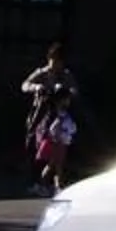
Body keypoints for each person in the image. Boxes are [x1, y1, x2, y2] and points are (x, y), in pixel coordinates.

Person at [22, 43, 79, 192]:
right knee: (35, 146)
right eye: (53, 60)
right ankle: (34, 180)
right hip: (40, 113)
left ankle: (51, 182)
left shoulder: (65, 75)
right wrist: (36, 87)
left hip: (57, 114)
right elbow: (25, 85)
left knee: (55, 151)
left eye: (59, 61)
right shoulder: (42, 73)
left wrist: (65, 92)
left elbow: (74, 90)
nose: (56, 65)